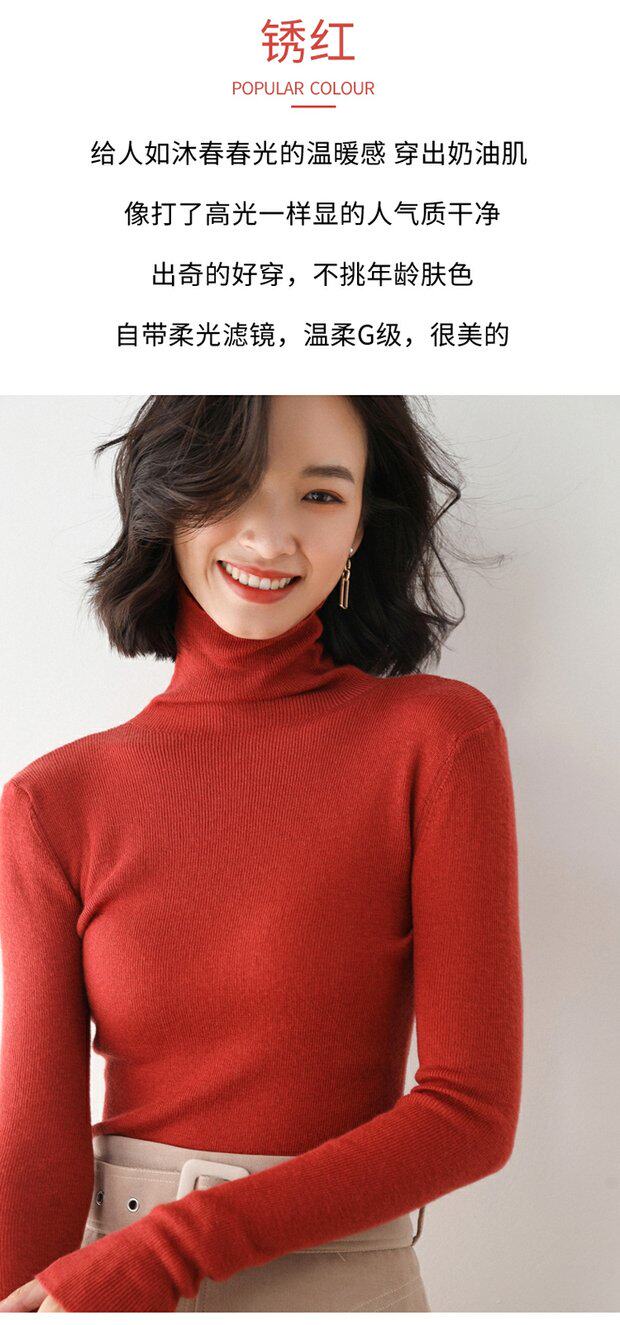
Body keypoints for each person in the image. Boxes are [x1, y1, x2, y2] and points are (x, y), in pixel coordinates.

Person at [0, 395, 523, 1313]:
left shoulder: (436, 739)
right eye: (233, 486)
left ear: (361, 527)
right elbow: (38, 1148)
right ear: (170, 498)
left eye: (321, 496)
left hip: (331, 1278)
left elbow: (470, 1112)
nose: (272, 538)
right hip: (102, 1283)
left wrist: (173, 1248)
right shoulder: (53, 800)